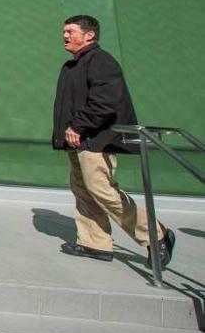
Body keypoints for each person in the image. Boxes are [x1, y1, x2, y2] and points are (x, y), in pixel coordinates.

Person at [52, 15, 175, 265]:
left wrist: (78, 126)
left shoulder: (100, 61)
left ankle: (157, 236)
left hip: (96, 140)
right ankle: (94, 243)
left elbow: (106, 101)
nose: (65, 35)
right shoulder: (74, 65)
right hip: (77, 141)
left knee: (102, 190)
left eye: (71, 31)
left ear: (90, 35)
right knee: (83, 190)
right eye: (64, 31)